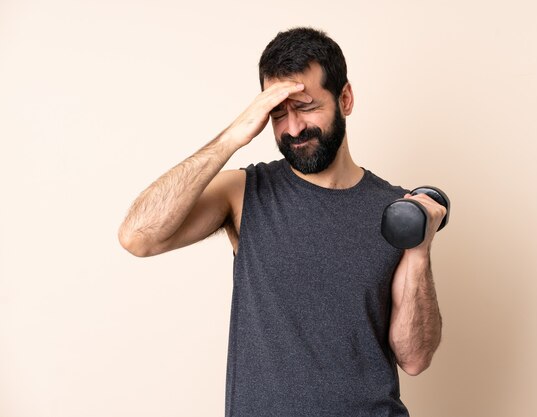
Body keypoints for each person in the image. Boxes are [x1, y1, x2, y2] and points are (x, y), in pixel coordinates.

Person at [118, 27, 446, 417]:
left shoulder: (398, 211)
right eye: (277, 113)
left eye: (306, 107)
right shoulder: (243, 192)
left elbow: (414, 358)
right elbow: (138, 236)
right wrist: (234, 136)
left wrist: (419, 250)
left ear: (345, 98)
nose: (292, 128)